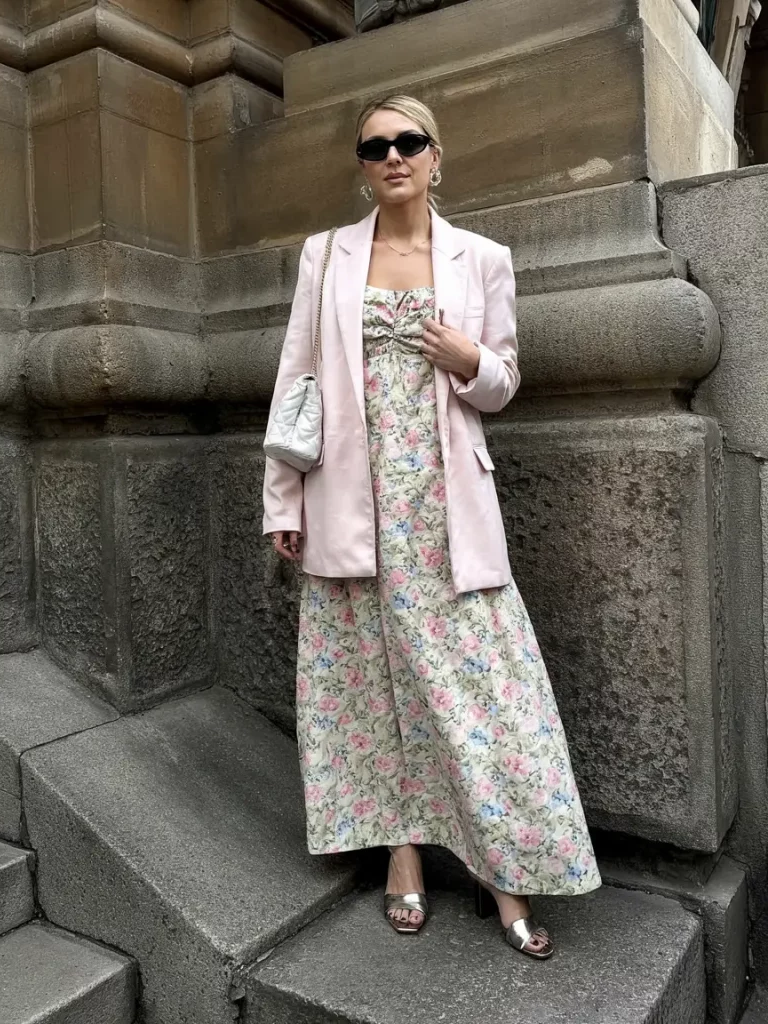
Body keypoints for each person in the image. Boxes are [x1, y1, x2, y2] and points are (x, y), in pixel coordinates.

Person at [263, 94, 601, 959]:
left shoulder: (481, 259)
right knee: (368, 684)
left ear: (436, 156)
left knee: (481, 688)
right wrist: (283, 502)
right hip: (347, 503)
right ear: (362, 165)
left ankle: (505, 869)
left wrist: (471, 359)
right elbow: (297, 382)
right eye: (375, 146)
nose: (394, 157)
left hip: (443, 511)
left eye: (409, 142)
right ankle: (402, 854)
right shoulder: (326, 256)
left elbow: (504, 382)